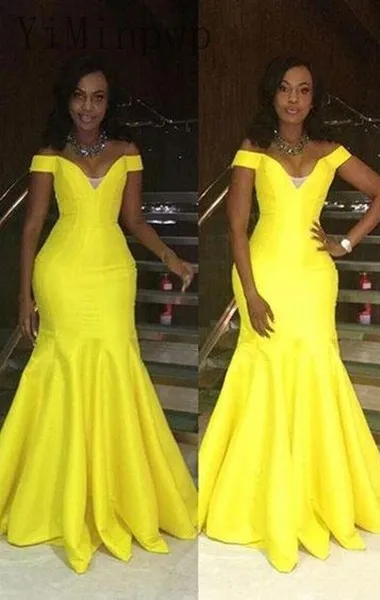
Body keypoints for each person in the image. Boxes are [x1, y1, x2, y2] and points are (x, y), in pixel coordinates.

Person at [198, 56, 380, 572]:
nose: (293, 99)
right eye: (285, 89)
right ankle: (255, 496)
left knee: (315, 371)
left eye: (303, 90)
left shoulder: (330, 150)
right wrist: (250, 291)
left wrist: (345, 243)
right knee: (264, 373)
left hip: (313, 278)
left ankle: (316, 490)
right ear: (272, 95)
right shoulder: (252, 148)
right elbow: (236, 228)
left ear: (313, 98)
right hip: (264, 275)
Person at [0, 55, 197, 573]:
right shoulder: (49, 153)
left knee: (115, 367)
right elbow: (32, 226)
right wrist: (24, 295)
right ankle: (52, 493)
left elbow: (134, 220)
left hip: (112, 275)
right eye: (79, 96)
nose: (88, 107)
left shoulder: (128, 152)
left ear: (109, 103)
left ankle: (112, 490)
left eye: (98, 97)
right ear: (66, 100)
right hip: (62, 274)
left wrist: (170, 257)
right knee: (60, 369)